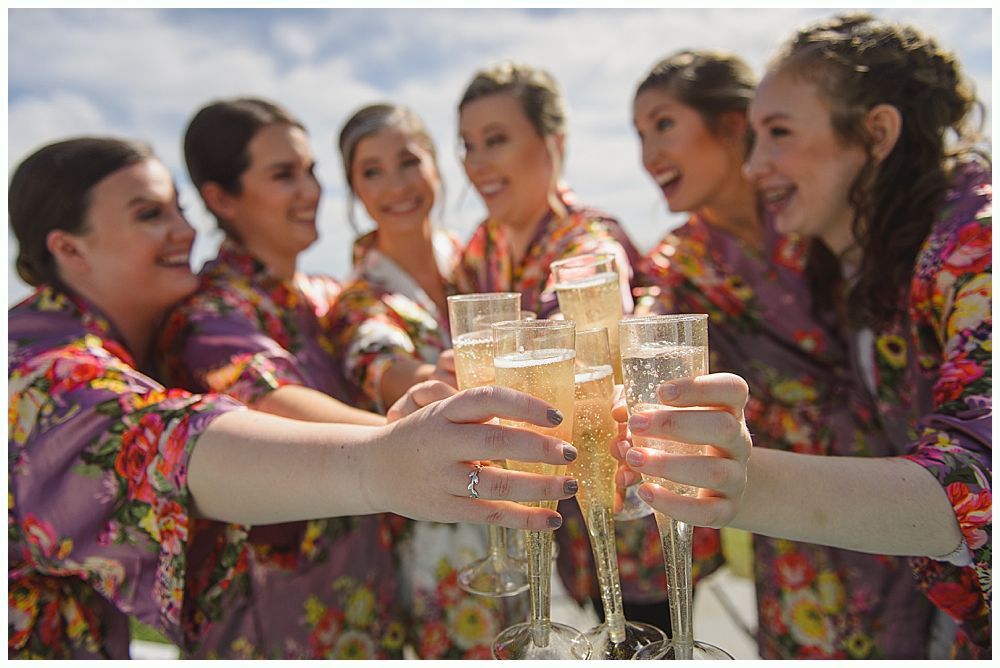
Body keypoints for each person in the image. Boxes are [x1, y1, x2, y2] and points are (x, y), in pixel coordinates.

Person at [7, 136, 581, 659]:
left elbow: (366, 334)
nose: (184, 231)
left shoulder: (317, 294)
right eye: (149, 215)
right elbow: (170, 444)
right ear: (70, 249)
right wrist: (385, 456)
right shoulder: (38, 375)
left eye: (179, 210)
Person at [621, 14, 991, 659]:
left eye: (779, 133)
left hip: (895, 526)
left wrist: (740, 485)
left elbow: (980, 474)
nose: (757, 163)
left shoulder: (973, 241)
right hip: (837, 537)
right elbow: (648, 311)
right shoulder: (855, 240)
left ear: (876, 133)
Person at [454, 61, 648, 623]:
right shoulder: (482, 247)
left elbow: (583, 303)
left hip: (630, 511)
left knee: (638, 636)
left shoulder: (588, 239)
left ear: (553, 143)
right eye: (467, 145)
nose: (479, 162)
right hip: (560, 520)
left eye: (496, 140)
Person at [326, 102, 503, 658]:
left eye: (408, 161)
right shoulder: (358, 298)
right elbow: (379, 365)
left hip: (518, 505)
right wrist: (434, 376)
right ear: (354, 190)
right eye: (371, 172)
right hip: (437, 526)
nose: (395, 185)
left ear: (436, 165)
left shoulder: (477, 259)